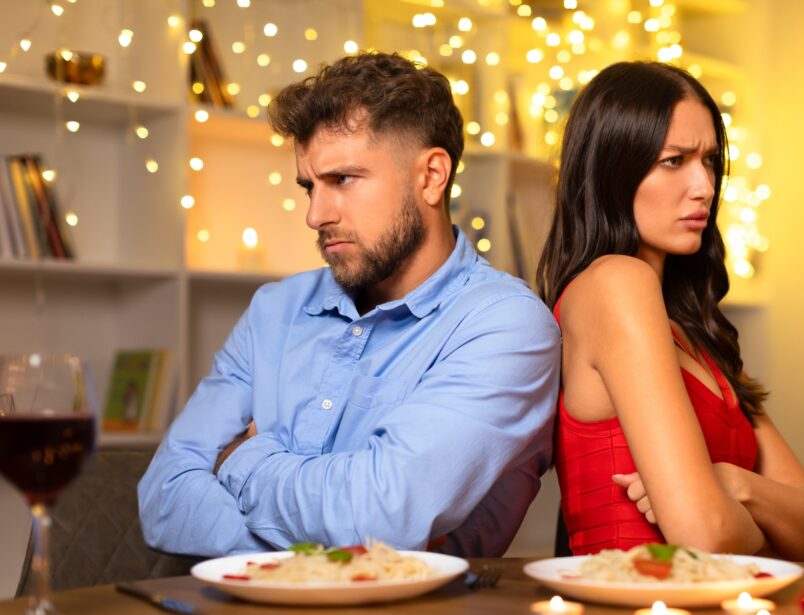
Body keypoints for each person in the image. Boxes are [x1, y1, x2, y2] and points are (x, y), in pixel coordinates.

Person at [139, 53, 561, 558]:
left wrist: (240, 459)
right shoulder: (276, 309)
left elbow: (379, 516)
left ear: (431, 176)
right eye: (308, 187)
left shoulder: (504, 326)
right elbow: (163, 497)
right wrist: (321, 551)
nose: (316, 214)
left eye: (343, 180)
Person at [536, 61, 804, 561]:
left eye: (710, 161)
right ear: (614, 169)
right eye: (674, 161)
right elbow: (705, 535)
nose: (704, 186)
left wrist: (734, 485)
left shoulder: (694, 330)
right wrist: (763, 534)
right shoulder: (614, 284)